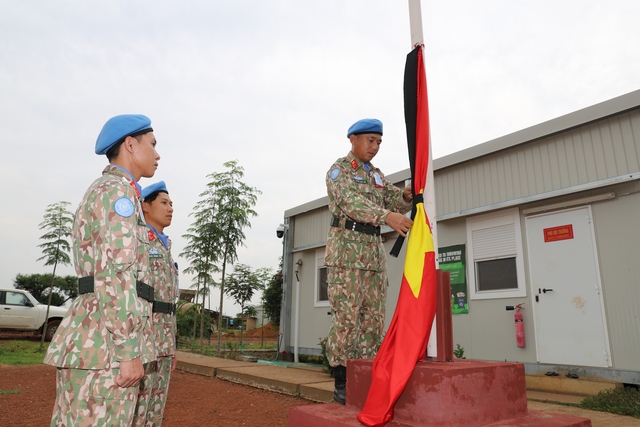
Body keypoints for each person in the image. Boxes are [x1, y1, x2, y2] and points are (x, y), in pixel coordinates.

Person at [44, 114, 160, 426]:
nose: (158, 154)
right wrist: (127, 351)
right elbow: (116, 275)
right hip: (105, 347)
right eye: (152, 144)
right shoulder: (117, 193)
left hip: (94, 337)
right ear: (131, 145)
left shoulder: (106, 190)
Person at [324, 118, 414, 405]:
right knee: (348, 319)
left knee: (373, 322)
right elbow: (352, 203)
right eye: (370, 140)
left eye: (379, 142)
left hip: (373, 256)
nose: (374, 147)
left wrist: (406, 196)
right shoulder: (340, 171)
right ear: (353, 139)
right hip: (347, 256)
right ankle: (342, 381)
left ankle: (365, 378)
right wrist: (388, 217)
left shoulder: (375, 175)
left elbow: (393, 198)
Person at [133, 181, 179, 426]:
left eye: (171, 204)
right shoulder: (139, 241)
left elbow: (169, 302)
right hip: (144, 339)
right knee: (138, 406)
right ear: (146, 207)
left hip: (164, 341)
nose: (170, 208)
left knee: (156, 407)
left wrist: (172, 346)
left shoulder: (165, 246)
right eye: (164, 202)